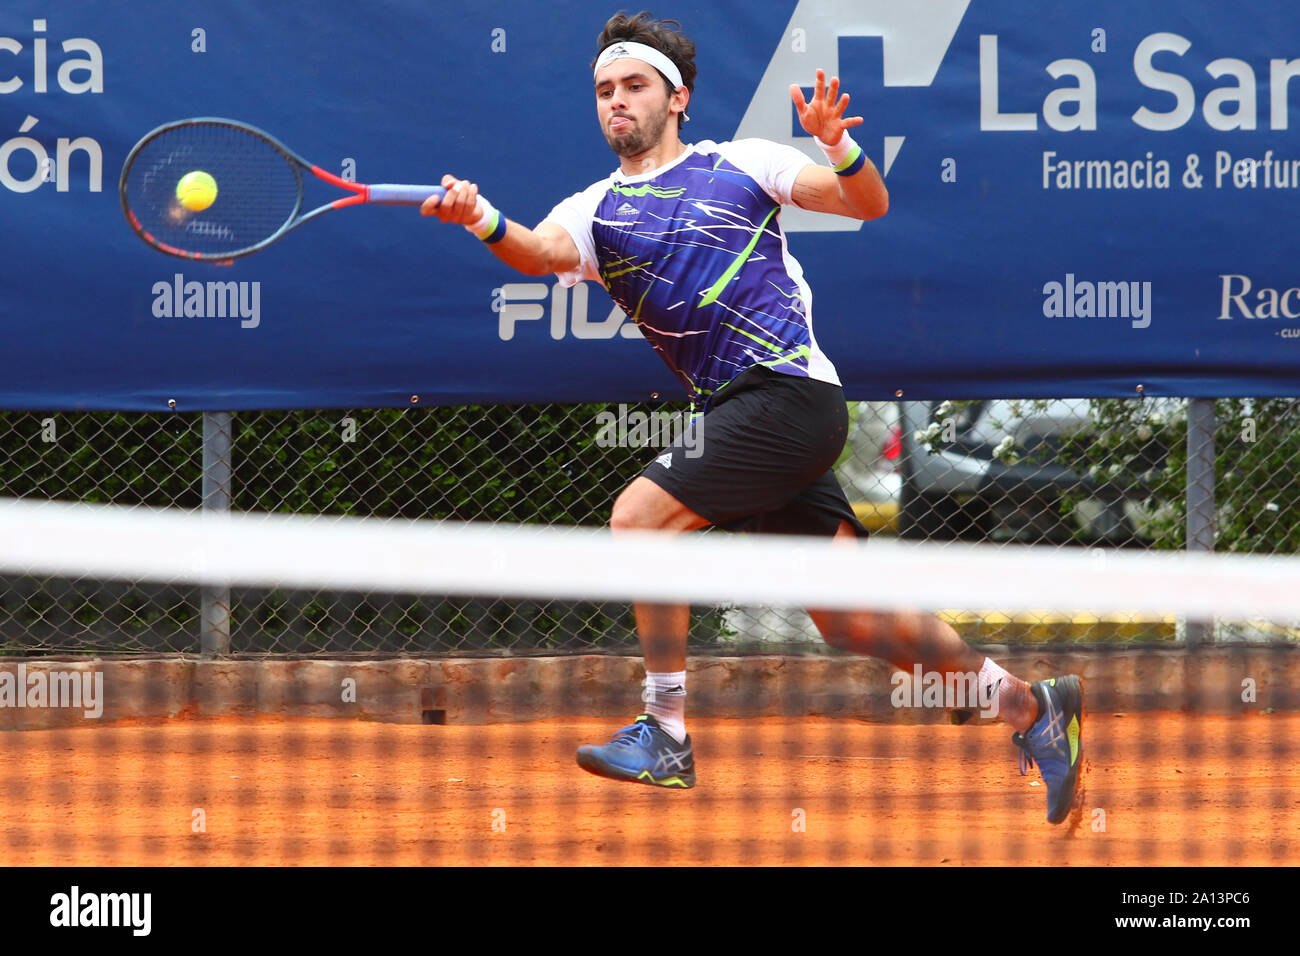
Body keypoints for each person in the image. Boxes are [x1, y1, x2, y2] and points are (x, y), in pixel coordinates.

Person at [422, 11, 1084, 823]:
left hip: (790, 395)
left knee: (637, 521)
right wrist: (480, 218)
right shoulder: (593, 210)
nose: (617, 102)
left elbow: (864, 203)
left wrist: (837, 144)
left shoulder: (743, 165)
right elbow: (537, 251)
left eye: (634, 85)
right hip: (741, 413)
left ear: (678, 98)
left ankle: (665, 729)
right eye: (604, 90)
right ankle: (1031, 708)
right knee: (847, 620)